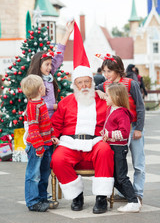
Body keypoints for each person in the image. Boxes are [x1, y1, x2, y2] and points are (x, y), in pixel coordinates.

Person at [50, 22, 114, 214]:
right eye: (80, 82)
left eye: (87, 81)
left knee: (105, 150)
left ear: (92, 82)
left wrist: (108, 134)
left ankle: (101, 198)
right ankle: (76, 196)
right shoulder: (66, 102)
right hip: (70, 144)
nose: (85, 85)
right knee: (58, 159)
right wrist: (53, 135)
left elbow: (114, 119)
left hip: (95, 144)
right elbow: (56, 123)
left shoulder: (103, 100)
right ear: (75, 85)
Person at [25, 20, 74, 208]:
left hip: (49, 131)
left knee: (45, 168)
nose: (50, 66)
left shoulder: (48, 76)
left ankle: (43, 197)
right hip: (39, 133)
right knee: (35, 170)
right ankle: (34, 201)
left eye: (49, 64)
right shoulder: (35, 86)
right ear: (39, 65)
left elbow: (59, 54)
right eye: (46, 64)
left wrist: (67, 34)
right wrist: (57, 105)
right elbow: (40, 110)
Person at [95, 53, 145, 205]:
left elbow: (141, 107)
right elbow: (92, 88)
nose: (106, 75)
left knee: (138, 163)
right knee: (118, 162)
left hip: (133, 127)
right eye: (104, 71)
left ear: (117, 69)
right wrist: (98, 91)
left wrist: (139, 129)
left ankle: (137, 192)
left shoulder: (130, 84)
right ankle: (121, 193)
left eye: (109, 71)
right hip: (115, 132)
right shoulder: (104, 85)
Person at [21, 75, 59, 212]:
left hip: (46, 145)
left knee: (44, 173)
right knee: (33, 175)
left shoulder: (41, 103)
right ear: (40, 89)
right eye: (43, 86)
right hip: (37, 147)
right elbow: (33, 128)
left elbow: (47, 123)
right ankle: (32, 201)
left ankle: (42, 197)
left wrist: (52, 135)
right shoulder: (32, 106)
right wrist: (38, 147)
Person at [101, 82, 141, 212]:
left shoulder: (122, 113)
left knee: (121, 176)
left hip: (119, 149)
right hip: (111, 147)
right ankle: (132, 197)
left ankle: (133, 201)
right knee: (115, 177)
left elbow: (124, 133)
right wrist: (105, 133)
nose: (105, 98)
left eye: (107, 95)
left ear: (116, 97)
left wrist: (109, 134)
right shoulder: (110, 109)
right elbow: (109, 126)